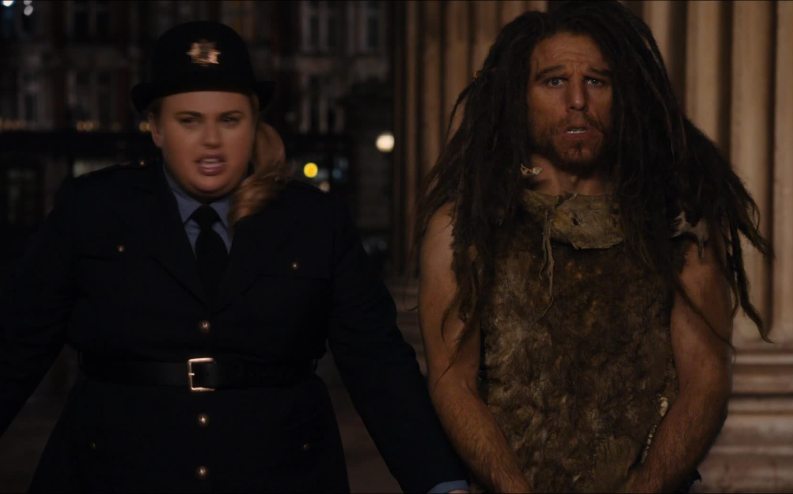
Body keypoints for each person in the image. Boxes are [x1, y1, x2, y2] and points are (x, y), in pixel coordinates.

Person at [0, 21, 467, 492]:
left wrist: (441, 484)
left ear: (254, 123)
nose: (211, 140)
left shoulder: (313, 221)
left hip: (280, 475)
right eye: (189, 121)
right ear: (156, 128)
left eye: (229, 120)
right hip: (116, 473)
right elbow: (18, 343)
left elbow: (377, 361)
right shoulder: (93, 210)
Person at [416, 2, 770, 492]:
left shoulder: (674, 223)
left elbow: (705, 380)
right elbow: (452, 380)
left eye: (597, 81)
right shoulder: (467, 226)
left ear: (624, 94)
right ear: (518, 96)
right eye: (554, 81)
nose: (578, 100)